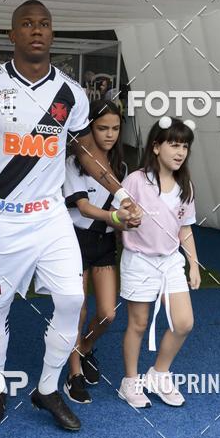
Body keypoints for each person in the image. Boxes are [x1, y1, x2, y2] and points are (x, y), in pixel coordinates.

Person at [0, 0, 142, 431]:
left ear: (52, 34)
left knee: (70, 300)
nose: (36, 30)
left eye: (44, 24)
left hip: (50, 217)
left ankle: (47, 388)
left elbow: (86, 150)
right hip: (4, 219)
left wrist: (120, 192)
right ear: (12, 35)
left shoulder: (70, 92)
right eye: (26, 24)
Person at [115, 117, 201, 408]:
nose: (180, 152)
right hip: (139, 260)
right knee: (138, 324)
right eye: (173, 144)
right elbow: (117, 218)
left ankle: (159, 373)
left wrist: (194, 264)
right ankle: (130, 382)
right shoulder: (136, 180)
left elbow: (185, 229)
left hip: (169, 263)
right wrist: (126, 218)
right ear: (155, 147)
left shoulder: (185, 186)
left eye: (185, 146)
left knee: (184, 323)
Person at [63, 99, 128, 403]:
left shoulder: (124, 165)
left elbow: (123, 208)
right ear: (89, 127)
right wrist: (116, 218)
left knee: (108, 314)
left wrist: (130, 221)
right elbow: (84, 207)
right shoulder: (73, 162)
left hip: (104, 244)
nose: (109, 134)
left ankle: (84, 348)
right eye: (102, 128)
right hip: (74, 241)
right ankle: (74, 373)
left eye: (115, 128)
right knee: (79, 309)